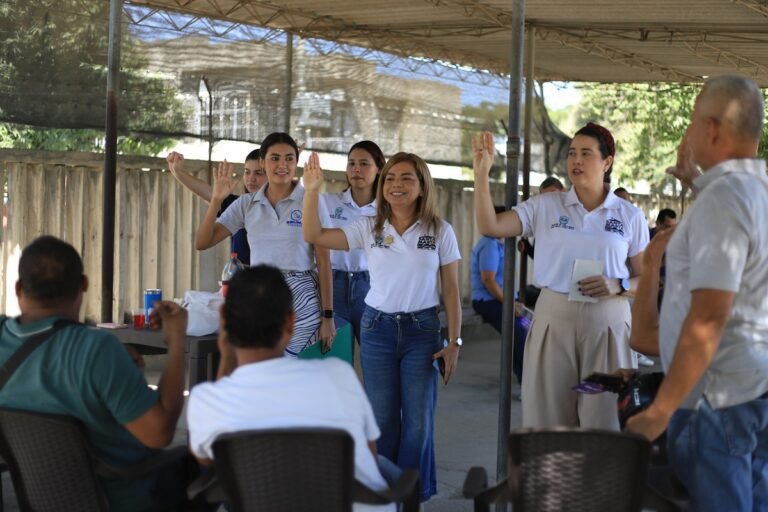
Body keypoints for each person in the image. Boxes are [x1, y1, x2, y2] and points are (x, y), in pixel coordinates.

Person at [626, 75, 768, 512]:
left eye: (691, 123)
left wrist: (660, 410)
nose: (686, 134)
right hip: (751, 386)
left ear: (711, 130)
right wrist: (695, 183)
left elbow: (709, 317)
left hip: (714, 398)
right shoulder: (755, 191)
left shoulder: (722, 201)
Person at [302, 151, 462, 502]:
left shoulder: (439, 230)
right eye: (390, 178)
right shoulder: (368, 227)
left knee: (418, 423)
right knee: (382, 420)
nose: (396, 185)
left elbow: (450, 290)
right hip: (377, 330)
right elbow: (314, 233)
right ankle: (385, 498)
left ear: (422, 186)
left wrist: (455, 342)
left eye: (406, 178)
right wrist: (311, 190)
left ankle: (410, 498)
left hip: (423, 332)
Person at [473, 124, 649, 430]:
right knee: (548, 421)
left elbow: (646, 280)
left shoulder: (629, 215)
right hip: (554, 321)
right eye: (571, 154)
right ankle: (551, 479)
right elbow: (490, 225)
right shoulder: (545, 206)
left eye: (586, 154)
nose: (576, 161)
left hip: (607, 325)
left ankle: (599, 480)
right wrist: (481, 175)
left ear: (607, 162)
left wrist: (617, 285)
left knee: (603, 423)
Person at [0, 236, 190, 512]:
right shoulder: (98, 350)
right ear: (84, 285)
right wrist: (176, 343)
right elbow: (158, 434)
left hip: (37, 500)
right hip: (121, 499)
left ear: (18, 289)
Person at [187, 265, 397, 512]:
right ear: (291, 323)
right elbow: (369, 453)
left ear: (224, 321)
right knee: (386, 468)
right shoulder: (339, 377)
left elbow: (208, 461)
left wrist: (226, 356)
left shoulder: (206, 400)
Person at [195, 132, 334, 357]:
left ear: (296, 162)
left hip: (302, 299)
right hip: (260, 297)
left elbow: (325, 261)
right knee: (262, 367)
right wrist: (216, 200)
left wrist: (328, 317)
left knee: (292, 373)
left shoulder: (311, 199)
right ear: (262, 161)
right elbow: (203, 241)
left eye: (289, 158)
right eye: (275, 158)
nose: (282, 165)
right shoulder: (246, 203)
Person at [323, 141, 384, 345]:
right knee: (337, 360)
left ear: (379, 169)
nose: (356, 169)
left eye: (364, 163)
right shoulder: (327, 202)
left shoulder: (388, 211)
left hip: (372, 286)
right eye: (351, 163)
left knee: (374, 360)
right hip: (333, 287)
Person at [168, 149, 266, 265]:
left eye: (259, 173)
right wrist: (177, 171)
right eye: (247, 172)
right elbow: (208, 193)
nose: (251, 178)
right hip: (243, 279)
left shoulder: (287, 208)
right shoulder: (240, 205)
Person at [517, 176, 564, 261]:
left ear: (563, 192)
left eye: (553, 195)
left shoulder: (574, 214)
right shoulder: (543, 220)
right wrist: (526, 245)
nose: (549, 200)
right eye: (544, 197)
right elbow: (538, 255)